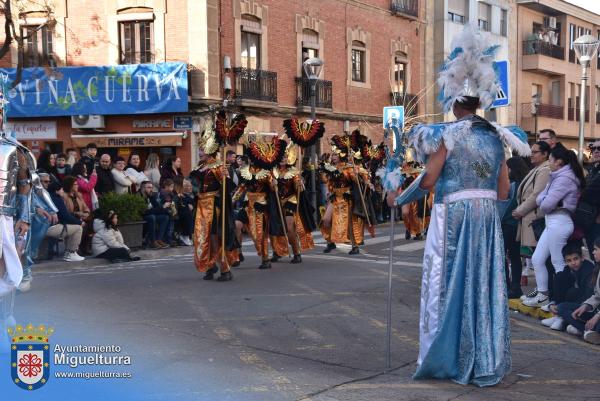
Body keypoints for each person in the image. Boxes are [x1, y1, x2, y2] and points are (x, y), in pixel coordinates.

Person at [387, 26, 531, 386]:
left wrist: (399, 197)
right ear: (480, 101)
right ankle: (483, 355)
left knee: (445, 284)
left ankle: (445, 357)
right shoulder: (498, 138)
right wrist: (488, 215)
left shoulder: (445, 136)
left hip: (453, 214)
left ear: (453, 99)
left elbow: (430, 180)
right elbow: (503, 189)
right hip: (485, 218)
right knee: (482, 286)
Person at [523, 143, 585, 308]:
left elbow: (545, 204)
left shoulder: (564, 178)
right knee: (537, 259)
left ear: (559, 162)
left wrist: (545, 201)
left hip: (560, 222)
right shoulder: (557, 176)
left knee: (558, 263)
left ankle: (559, 302)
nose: (549, 162)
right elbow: (542, 200)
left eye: (550, 159)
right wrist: (545, 200)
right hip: (553, 222)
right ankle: (543, 296)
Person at [190, 135, 238, 281]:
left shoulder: (219, 166)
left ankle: (225, 270)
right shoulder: (199, 167)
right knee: (202, 238)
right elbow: (193, 186)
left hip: (214, 207)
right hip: (201, 207)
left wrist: (226, 177)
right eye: (200, 149)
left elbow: (229, 187)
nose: (200, 152)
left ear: (210, 150)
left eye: (203, 149)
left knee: (215, 238)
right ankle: (210, 266)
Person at [271, 144, 316, 264]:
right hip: (276, 202)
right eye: (281, 157)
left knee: (290, 228)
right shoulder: (272, 172)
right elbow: (269, 189)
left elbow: (299, 190)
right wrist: (272, 183)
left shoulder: (294, 172)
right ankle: (278, 251)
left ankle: (297, 253)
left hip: (290, 201)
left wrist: (299, 183)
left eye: (285, 157)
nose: (283, 159)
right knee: (276, 228)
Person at [541, 243, 595, 331]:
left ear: (582, 257)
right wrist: (553, 303)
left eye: (575, 259)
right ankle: (558, 315)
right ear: (565, 262)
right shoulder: (568, 269)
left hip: (588, 306)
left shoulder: (588, 269)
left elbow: (589, 295)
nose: (573, 263)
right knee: (560, 276)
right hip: (577, 302)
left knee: (569, 297)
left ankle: (563, 317)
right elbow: (560, 284)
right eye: (569, 261)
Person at [513, 141, 551, 260]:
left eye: (535, 152)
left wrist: (520, 211)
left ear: (545, 154)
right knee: (537, 260)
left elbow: (537, 195)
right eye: (531, 152)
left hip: (534, 218)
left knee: (540, 261)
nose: (531, 155)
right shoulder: (537, 168)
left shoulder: (545, 169)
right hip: (528, 217)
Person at [557, 237, 600, 344]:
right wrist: (585, 306)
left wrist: (597, 316)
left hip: (598, 313)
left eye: (596, 249)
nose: (593, 252)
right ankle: (588, 332)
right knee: (562, 307)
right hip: (595, 310)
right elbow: (597, 296)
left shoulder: (589, 268)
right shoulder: (598, 268)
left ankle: (590, 332)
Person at [501, 156, 531, 299]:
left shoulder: (510, 185)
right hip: (517, 226)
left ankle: (506, 286)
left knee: (502, 256)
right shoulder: (524, 183)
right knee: (515, 257)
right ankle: (516, 287)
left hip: (506, 224)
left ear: (511, 169)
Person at [47, 181, 85, 262]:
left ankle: (69, 253)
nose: (63, 191)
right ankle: (71, 253)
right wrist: (79, 222)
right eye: (61, 190)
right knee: (78, 228)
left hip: (47, 227)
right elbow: (65, 215)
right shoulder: (57, 199)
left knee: (72, 227)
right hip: (51, 228)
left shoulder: (49, 197)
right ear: (56, 191)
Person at [581, 140, 600, 260]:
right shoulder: (592, 169)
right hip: (590, 219)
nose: (596, 151)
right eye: (593, 149)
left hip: (597, 220)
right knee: (594, 254)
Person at [140, 181, 170, 249]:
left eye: (152, 188)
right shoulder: (139, 196)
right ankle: (152, 241)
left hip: (151, 214)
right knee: (152, 217)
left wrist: (165, 208)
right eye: (149, 187)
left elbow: (157, 207)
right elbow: (145, 212)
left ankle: (159, 239)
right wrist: (161, 207)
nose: (151, 189)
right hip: (143, 216)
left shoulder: (151, 195)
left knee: (165, 217)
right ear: (143, 188)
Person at [173, 177, 194, 246]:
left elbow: (191, 201)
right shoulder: (176, 193)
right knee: (187, 213)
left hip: (182, 211)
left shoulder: (185, 195)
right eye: (186, 186)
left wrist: (189, 205)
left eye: (190, 186)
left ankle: (189, 235)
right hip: (176, 213)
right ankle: (185, 235)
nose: (189, 188)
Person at [159, 178, 178, 247]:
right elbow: (167, 202)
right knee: (170, 228)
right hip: (167, 212)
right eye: (171, 187)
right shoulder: (164, 193)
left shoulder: (170, 193)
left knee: (171, 227)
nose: (172, 189)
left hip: (171, 212)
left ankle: (170, 239)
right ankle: (168, 239)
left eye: (172, 187)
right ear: (166, 186)